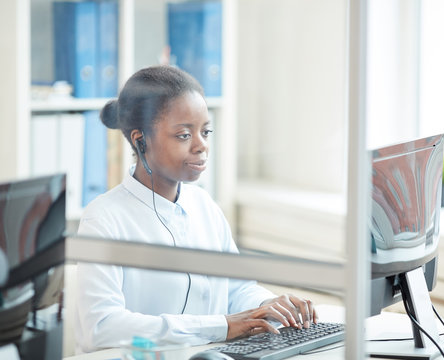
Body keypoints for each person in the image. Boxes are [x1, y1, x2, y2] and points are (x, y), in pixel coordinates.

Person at [74, 65, 318, 353]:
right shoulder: (104, 219)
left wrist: (269, 306)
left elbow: (237, 289)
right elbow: (101, 328)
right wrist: (222, 326)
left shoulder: (203, 205)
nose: (201, 146)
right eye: (183, 135)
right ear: (141, 141)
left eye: (205, 131)